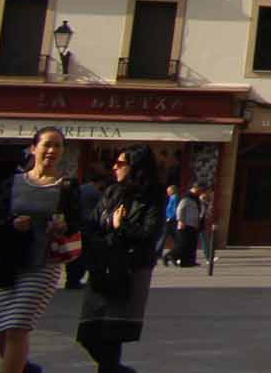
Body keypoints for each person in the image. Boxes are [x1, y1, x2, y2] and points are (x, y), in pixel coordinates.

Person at [0, 125, 79, 373]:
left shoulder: (67, 186)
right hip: (9, 263)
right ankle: (26, 369)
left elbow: (78, 222)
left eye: (58, 145)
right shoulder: (13, 183)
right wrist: (12, 225)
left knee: (17, 326)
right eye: (47, 144)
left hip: (43, 263)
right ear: (34, 148)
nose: (52, 150)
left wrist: (65, 225)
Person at [75, 146, 164, 373]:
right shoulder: (111, 192)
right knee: (88, 334)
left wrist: (121, 226)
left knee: (111, 335)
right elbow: (92, 224)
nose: (114, 167)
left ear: (135, 167)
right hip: (102, 265)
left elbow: (149, 234)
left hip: (129, 270)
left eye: (121, 163)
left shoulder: (152, 196)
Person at [65, 171, 103, 290]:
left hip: (76, 225)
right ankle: (76, 279)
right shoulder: (96, 193)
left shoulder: (80, 189)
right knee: (84, 255)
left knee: (74, 254)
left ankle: (71, 280)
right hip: (87, 226)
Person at [172, 188, 202, 268]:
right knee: (184, 244)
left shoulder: (196, 200)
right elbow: (179, 210)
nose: (197, 193)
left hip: (194, 224)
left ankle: (189, 262)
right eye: (195, 191)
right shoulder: (186, 199)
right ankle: (170, 255)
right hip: (186, 224)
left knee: (191, 245)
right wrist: (181, 220)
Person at [158, 185, 178, 267]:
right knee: (172, 237)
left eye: (169, 191)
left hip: (171, 220)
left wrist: (170, 217)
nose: (167, 192)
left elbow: (174, 209)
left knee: (164, 236)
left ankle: (158, 252)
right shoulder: (172, 198)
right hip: (169, 219)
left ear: (172, 191)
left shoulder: (174, 198)